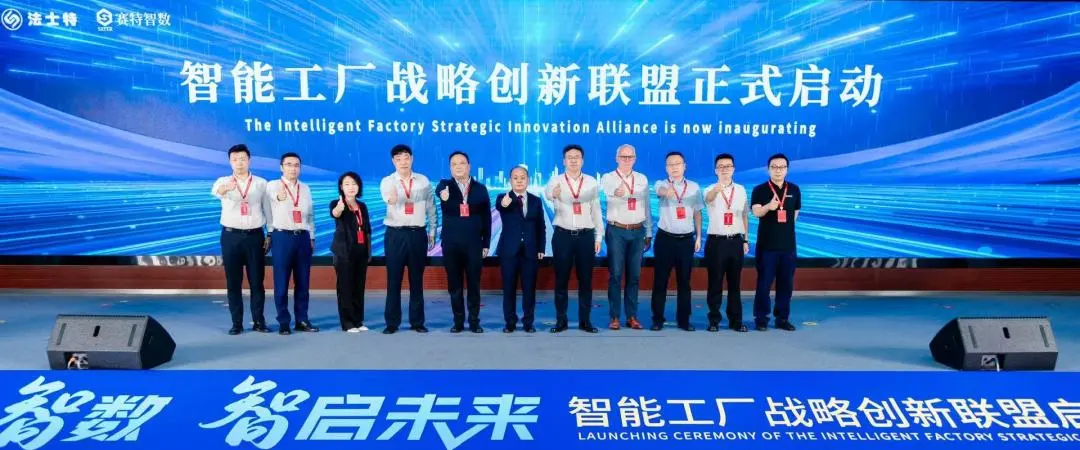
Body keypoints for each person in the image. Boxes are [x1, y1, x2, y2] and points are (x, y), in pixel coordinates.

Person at [211, 144, 271, 335]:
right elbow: (216, 192)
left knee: (257, 281)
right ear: (230, 162)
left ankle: (259, 321)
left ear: (249, 160)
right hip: (231, 236)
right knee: (233, 282)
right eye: (235, 159)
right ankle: (236, 323)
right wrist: (225, 188)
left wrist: (269, 233)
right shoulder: (223, 181)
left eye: (243, 159)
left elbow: (267, 209)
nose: (239, 163)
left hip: (255, 236)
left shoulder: (261, 183)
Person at [544, 144, 604, 333]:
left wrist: (598, 237)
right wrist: (552, 194)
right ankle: (561, 321)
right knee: (561, 280)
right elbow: (547, 193)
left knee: (585, 280)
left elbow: (596, 211)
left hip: (586, 236)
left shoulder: (591, 182)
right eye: (569, 157)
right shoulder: (556, 180)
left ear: (582, 161)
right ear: (564, 161)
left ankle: (585, 321)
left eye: (577, 157)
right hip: (563, 236)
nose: (573, 160)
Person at [380, 144, 437, 334]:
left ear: (412, 159)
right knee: (393, 280)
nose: (403, 162)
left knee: (416, 280)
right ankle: (392, 323)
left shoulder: (423, 180)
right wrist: (394, 197)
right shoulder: (387, 181)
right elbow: (390, 200)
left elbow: (431, 207)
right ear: (393, 161)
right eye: (398, 159)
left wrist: (432, 231)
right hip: (395, 235)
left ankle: (417, 322)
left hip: (417, 234)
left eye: (406, 158)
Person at [435, 151, 492, 333]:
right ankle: (458, 322)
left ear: (469, 166)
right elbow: (439, 190)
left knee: (474, 284)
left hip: (474, 244)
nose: (458, 167)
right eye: (454, 164)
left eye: (461, 163)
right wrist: (442, 194)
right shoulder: (445, 186)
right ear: (450, 168)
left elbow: (487, 218)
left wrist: (486, 243)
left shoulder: (480, 189)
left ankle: (474, 321)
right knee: (454, 285)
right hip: (451, 244)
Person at [599, 144, 651, 330]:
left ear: (635, 159)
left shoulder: (642, 179)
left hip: (638, 231)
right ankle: (614, 316)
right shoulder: (608, 178)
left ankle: (632, 316)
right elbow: (610, 192)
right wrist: (618, 192)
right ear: (617, 158)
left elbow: (646, 205)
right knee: (615, 274)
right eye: (623, 156)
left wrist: (648, 231)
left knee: (634, 275)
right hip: (616, 231)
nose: (627, 160)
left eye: (630, 157)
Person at [650, 151, 704, 331]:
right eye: (670, 164)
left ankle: (684, 320)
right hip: (665, 239)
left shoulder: (694, 187)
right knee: (660, 281)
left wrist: (698, 237)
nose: (674, 167)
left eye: (677, 163)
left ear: (684, 166)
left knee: (684, 282)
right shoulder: (661, 184)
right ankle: (657, 319)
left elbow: (697, 213)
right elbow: (660, 191)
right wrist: (667, 191)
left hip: (686, 240)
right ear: (666, 168)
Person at [266, 152, 318, 335]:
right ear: (281, 167)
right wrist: (279, 198)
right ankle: (283, 321)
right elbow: (270, 205)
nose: (293, 168)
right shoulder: (272, 186)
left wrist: (311, 236)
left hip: (303, 237)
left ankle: (302, 319)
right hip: (282, 237)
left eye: (296, 165)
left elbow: (309, 214)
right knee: (281, 282)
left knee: (303, 282)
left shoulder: (305, 188)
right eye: (288, 164)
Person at [751, 153, 801, 331]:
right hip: (767, 247)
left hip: (788, 246)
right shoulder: (760, 190)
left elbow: (794, 215)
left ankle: (782, 318)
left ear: (787, 169)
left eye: (782, 167)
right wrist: (768, 207)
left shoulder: (794, 189)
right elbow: (756, 212)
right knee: (764, 284)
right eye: (774, 167)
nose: (778, 170)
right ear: (768, 169)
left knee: (786, 284)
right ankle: (761, 318)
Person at [495, 166, 546, 333]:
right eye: (515, 177)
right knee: (508, 288)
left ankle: (528, 322)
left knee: (529, 289)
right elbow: (501, 206)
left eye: (522, 177)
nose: (519, 180)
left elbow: (541, 226)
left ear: (528, 180)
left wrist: (541, 247)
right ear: (510, 180)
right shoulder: (503, 198)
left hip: (530, 251)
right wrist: (504, 203)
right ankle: (510, 322)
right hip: (509, 251)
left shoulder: (536, 200)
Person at [703, 153, 750, 333]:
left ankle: (736, 320)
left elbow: (744, 215)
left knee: (735, 283)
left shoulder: (741, 190)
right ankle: (714, 319)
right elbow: (708, 199)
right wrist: (717, 189)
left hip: (736, 241)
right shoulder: (709, 189)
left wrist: (746, 239)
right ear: (716, 170)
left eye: (728, 166)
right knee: (715, 282)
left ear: (733, 169)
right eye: (721, 167)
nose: (725, 169)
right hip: (716, 242)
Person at [330, 171, 372, 333]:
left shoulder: (362, 206)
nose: (351, 187)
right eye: (347, 184)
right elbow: (335, 213)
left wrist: (368, 252)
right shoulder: (336, 203)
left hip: (360, 252)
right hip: (344, 253)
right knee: (345, 287)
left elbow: (367, 230)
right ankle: (347, 323)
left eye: (354, 184)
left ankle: (358, 320)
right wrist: (339, 209)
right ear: (341, 187)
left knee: (358, 287)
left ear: (359, 186)